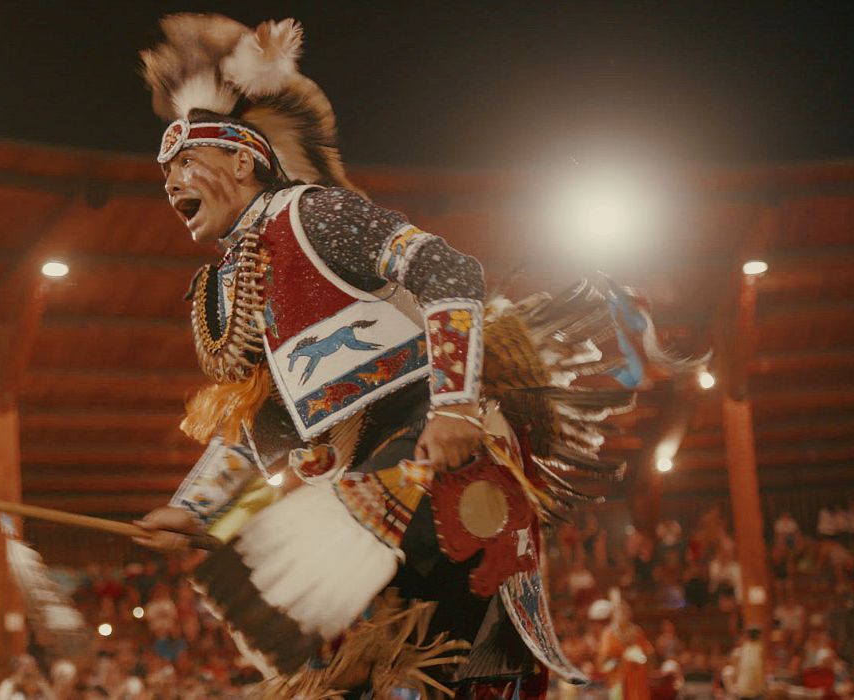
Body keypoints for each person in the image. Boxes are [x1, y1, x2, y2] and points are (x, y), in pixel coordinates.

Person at [127, 12, 693, 699]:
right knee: (352, 665)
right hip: (355, 474)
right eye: (164, 171)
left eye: (186, 163)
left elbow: (450, 272)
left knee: (425, 635)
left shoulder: (316, 214)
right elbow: (256, 422)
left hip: (430, 449)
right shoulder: (224, 289)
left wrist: (453, 404)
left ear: (243, 160)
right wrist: (193, 510)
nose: (170, 182)